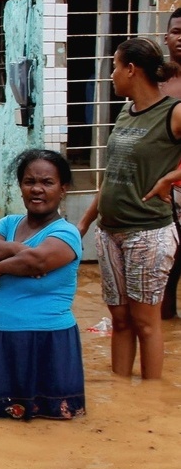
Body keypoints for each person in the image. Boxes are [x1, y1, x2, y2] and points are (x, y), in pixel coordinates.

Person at [77, 37, 181, 380]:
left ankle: (151, 399)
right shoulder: (125, 112)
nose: (112, 75)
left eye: (115, 67)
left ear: (131, 70)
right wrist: (86, 221)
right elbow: (113, 173)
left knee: (146, 324)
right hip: (111, 232)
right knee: (120, 320)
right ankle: (122, 397)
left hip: (148, 233)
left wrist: (171, 179)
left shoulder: (173, 112)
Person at [0, 149, 85, 420]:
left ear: (63, 189)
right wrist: (19, 249)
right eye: (29, 182)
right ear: (21, 187)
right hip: (2, 335)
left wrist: (2, 266)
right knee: (1, 425)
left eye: (47, 182)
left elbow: (37, 262)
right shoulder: (9, 222)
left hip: (48, 339)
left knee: (55, 429)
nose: (37, 189)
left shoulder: (66, 232)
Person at [158, 8, 181, 319]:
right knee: (167, 264)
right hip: (164, 188)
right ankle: (167, 330)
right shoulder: (157, 80)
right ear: (166, 37)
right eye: (177, 32)